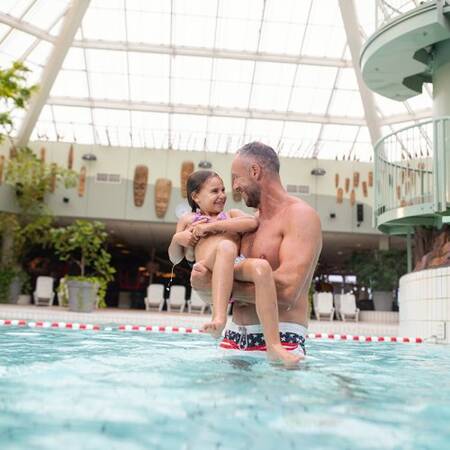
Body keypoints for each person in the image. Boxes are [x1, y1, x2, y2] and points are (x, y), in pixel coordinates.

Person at [190, 142, 322, 359]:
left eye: (236, 177)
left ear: (255, 171)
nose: (234, 187)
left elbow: (289, 291)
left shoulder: (300, 216)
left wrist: (217, 287)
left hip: (283, 339)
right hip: (232, 338)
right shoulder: (248, 223)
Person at [168, 170, 302, 366]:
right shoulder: (188, 220)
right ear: (196, 196)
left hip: (233, 265)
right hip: (209, 267)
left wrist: (212, 227)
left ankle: (274, 346)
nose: (222, 195)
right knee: (225, 247)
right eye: (214, 191)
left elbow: (252, 222)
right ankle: (220, 317)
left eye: (223, 190)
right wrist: (177, 238)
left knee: (262, 268)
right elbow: (175, 257)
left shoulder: (229, 215)